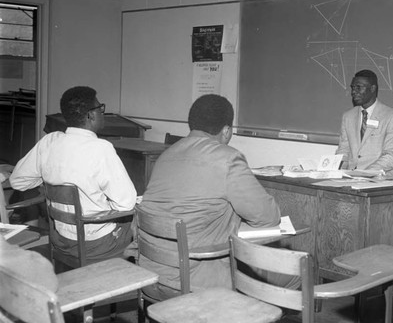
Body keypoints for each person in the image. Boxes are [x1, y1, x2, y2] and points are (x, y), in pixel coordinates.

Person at [138, 94, 292, 299]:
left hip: (150, 274)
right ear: (227, 131)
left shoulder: (166, 155)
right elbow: (268, 216)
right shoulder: (228, 158)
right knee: (294, 275)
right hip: (195, 283)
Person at [10, 86, 137, 263]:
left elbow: (18, 181)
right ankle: (127, 282)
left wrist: (49, 182)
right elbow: (126, 203)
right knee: (135, 217)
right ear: (90, 115)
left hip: (60, 239)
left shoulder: (49, 141)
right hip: (95, 245)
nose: (102, 113)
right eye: (100, 109)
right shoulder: (101, 148)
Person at [336, 69, 393, 178]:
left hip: (379, 182)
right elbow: (343, 150)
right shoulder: (348, 116)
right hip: (351, 180)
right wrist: (337, 171)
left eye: (359, 87)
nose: (354, 92)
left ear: (372, 88)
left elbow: (392, 156)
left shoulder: (392, 117)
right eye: (353, 88)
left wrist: (364, 174)